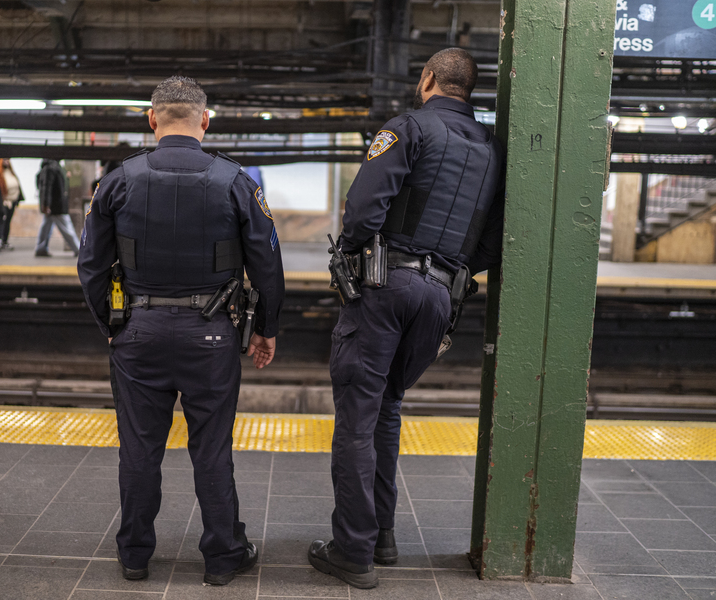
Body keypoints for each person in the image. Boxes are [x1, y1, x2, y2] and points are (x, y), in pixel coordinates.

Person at [309, 48, 505, 589]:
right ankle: (382, 538)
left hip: (385, 286)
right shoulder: (493, 150)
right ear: (469, 91)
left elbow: (363, 211)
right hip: (441, 297)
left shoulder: (407, 128)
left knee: (356, 419)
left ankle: (352, 550)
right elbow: (490, 244)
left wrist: (354, 255)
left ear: (427, 81)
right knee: (388, 409)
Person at [78, 76, 285, 586]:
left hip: (138, 333)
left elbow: (90, 264)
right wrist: (266, 329)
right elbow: (268, 266)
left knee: (139, 448)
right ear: (205, 120)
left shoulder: (117, 180)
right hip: (211, 334)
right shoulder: (236, 181)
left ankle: (134, 555)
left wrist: (112, 323)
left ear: (152, 119)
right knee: (212, 448)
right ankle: (222, 556)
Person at [34, 158, 81, 257]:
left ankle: (41, 248)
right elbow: (47, 187)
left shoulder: (48, 168)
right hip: (56, 204)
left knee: (46, 227)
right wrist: (46, 204)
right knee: (67, 228)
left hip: (52, 204)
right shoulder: (52, 168)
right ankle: (78, 249)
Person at [0, 158, 23, 251]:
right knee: (1, 221)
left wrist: (18, 199)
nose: (7, 161)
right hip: (1, 202)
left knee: (7, 222)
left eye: (8, 160)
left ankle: (5, 241)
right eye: (4, 160)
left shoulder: (11, 172)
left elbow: (17, 185)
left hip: (12, 202)